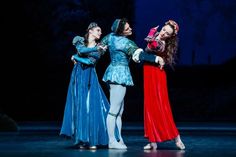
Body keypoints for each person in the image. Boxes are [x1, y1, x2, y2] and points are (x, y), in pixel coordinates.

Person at [100, 18, 164, 149]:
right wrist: (155, 58)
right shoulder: (126, 43)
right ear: (121, 31)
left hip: (112, 72)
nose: (130, 29)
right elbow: (139, 56)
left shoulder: (110, 37)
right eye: (127, 28)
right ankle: (112, 141)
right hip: (120, 74)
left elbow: (99, 49)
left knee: (119, 110)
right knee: (114, 110)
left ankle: (118, 138)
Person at [60, 22, 109, 149]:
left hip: (89, 76)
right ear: (91, 31)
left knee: (90, 106)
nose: (100, 33)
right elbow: (81, 50)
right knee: (80, 105)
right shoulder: (79, 40)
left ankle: (92, 139)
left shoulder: (101, 47)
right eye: (98, 30)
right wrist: (88, 51)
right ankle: (81, 139)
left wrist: (76, 57)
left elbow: (89, 62)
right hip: (78, 76)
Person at [142, 20, 185, 150]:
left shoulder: (161, 43)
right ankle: (152, 141)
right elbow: (146, 50)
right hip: (148, 73)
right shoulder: (157, 38)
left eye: (167, 33)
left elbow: (150, 44)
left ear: (170, 37)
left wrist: (152, 31)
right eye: (164, 29)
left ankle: (176, 137)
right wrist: (154, 33)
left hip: (156, 75)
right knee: (149, 106)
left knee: (162, 106)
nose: (164, 33)